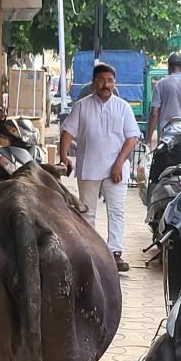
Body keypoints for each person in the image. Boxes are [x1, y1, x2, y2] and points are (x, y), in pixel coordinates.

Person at [60, 63, 140, 273]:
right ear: (94, 83)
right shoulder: (82, 106)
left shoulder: (123, 107)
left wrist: (119, 164)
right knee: (87, 212)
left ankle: (114, 253)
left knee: (117, 211)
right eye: (102, 80)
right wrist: (63, 157)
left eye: (110, 81)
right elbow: (67, 132)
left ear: (114, 83)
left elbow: (132, 138)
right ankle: (90, 252)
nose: (106, 85)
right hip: (89, 167)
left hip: (116, 169)